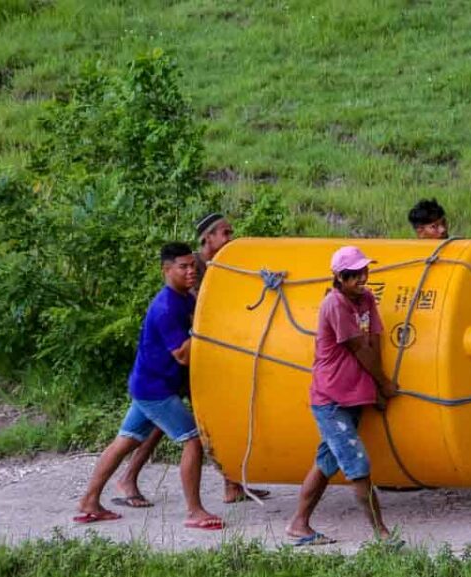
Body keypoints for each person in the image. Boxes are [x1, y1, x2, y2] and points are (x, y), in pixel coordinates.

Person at [114, 212, 268, 506]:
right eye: (224, 233)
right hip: (185, 358)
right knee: (169, 425)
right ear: (207, 238)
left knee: (160, 422)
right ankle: (132, 479)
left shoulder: (225, 264)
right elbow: (201, 313)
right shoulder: (195, 268)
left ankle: (232, 484)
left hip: (200, 356)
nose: (230, 238)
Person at [75, 242, 223, 530]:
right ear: (166, 270)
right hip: (156, 390)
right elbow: (182, 354)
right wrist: (200, 329)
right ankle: (195, 512)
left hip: (146, 385)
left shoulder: (184, 298)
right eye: (183, 267)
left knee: (124, 442)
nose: (191, 271)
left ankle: (88, 502)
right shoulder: (166, 307)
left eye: (192, 265)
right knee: (193, 441)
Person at [285, 246, 398, 545]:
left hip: (354, 396)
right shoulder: (334, 305)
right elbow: (359, 348)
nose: (362, 278)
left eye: (364, 272)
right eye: (355, 275)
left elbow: (374, 339)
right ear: (339, 277)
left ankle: (299, 524)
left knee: (326, 462)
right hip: (331, 400)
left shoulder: (366, 299)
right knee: (357, 466)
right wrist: (384, 383)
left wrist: (375, 389)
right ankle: (382, 534)